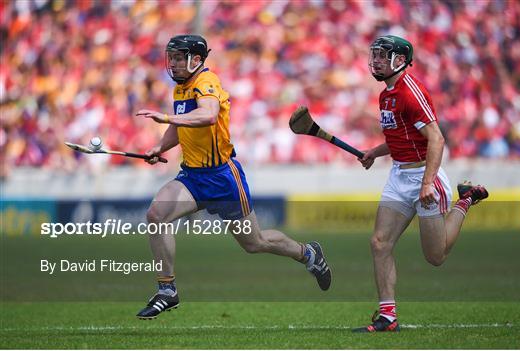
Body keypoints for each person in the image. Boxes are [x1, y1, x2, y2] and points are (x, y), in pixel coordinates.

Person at [134, 35, 331, 319]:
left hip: (222, 177)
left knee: (255, 243)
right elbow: (180, 129)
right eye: (172, 57)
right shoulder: (181, 89)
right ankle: (167, 290)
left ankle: (308, 254)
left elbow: (209, 115)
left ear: (196, 59)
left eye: (179, 58)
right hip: (192, 176)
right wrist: (159, 147)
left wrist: (166, 118)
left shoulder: (206, 81)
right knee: (156, 216)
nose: (173, 64)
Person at [353, 35, 489, 332]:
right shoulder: (385, 95)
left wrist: (427, 183)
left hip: (424, 176)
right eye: (374, 54)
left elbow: (437, 139)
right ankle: (388, 317)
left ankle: (465, 201)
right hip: (399, 176)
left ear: (399, 60)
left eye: (382, 55)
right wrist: (375, 152)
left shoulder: (410, 92)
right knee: (379, 242)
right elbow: (400, 138)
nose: (375, 60)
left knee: (435, 256)